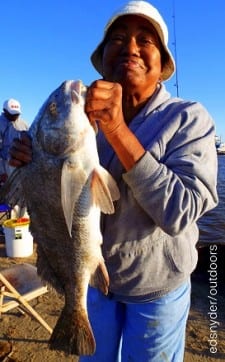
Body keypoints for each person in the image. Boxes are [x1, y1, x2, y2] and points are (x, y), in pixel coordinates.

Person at [9, 1, 218, 361]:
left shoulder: (189, 119)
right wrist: (26, 166)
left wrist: (118, 129)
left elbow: (180, 213)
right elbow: (52, 201)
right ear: (103, 57)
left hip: (158, 288)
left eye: (145, 40)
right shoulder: (86, 124)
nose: (131, 47)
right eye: (118, 39)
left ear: (163, 64)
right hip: (93, 283)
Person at [0, 98, 28, 184]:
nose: (15, 116)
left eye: (17, 114)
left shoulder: (24, 124)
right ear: (4, 111)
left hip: (21, 165)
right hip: (4, 165)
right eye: (12, 113)